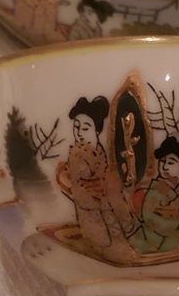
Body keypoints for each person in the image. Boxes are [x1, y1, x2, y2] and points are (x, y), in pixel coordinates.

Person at [57, 96, 137, 258]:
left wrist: (108, 186)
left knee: (117, 229)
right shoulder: (76, 154)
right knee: (103, 239)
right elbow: (76, 184)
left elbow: (111, 178)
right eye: (76, 127)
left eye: (85, 128)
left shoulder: (101, 150)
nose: (79, 133)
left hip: (106, 201)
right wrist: (94, 194)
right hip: (90, 206)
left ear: (97, 130)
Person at [131, 136, 179, 255]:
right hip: (153, 239)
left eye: (171, 162)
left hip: (170, 234)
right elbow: (157, 224)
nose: (164, 167)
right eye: (162, 162)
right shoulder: (155, 190)